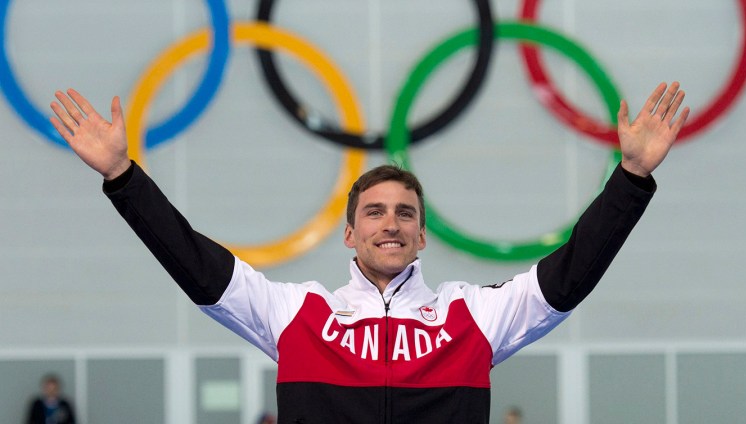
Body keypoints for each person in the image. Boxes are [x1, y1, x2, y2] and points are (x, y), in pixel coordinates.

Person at [49, 82, 688, 423]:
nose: (391, 224)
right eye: (375, 212)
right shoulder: (296, 314)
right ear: (350, 233)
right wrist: (123, 178)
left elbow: (569, 276)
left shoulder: (473, 318)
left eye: (405, 213)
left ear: (422, 234)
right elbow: (194, 262)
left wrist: (630, 180)